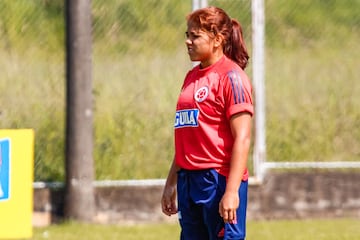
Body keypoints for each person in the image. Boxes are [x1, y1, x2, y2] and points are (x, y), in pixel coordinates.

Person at [161, 6, 254, 240]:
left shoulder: (232, 78)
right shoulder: (191, 77)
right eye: (187, 35)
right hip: (188, 182)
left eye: (196, 36)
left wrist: (231, 191)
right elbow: (188, 136)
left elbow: (242, 138)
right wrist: (171, 182)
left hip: (218, 180)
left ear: (217, 39)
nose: (188, 42)